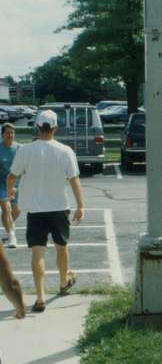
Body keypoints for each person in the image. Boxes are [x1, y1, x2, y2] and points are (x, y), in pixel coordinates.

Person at [7, 109, 85, 313]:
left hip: (35, 210)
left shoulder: (25, 150)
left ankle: (40, 297)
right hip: (59, 207)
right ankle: (62, 282)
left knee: (37, 252)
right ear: (55, 128)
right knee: (62, 247)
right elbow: (74, 180)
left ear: (37, 127)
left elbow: (12, 176)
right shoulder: (66, 151)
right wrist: (80, 206)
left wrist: (10, 193)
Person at [0, 123, 21, 248]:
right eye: (7, 132)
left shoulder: (20, 148)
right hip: (1, 184)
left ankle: (7, 230)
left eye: (12, 132)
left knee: (16, 210)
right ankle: (12, 237)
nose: (10, 135)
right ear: (2, 134)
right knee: (6, 208)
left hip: (16, 184)